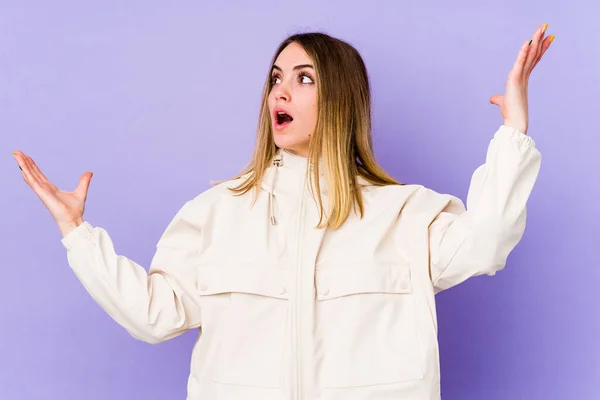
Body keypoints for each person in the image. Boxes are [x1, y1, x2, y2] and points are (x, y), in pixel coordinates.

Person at [13, 23, 553, 400]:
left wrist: (513, 133)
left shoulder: (403, 214)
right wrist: (76, 232)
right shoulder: (216, 212)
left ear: (340, 98)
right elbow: (156, 316)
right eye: (275, 77)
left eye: (304, 78)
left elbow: (486, 242)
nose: (281, 91)